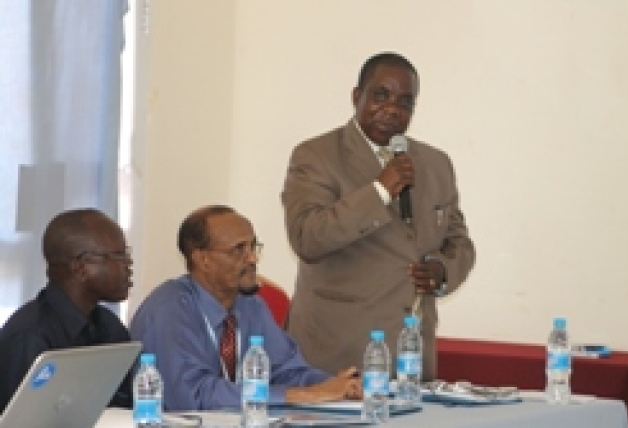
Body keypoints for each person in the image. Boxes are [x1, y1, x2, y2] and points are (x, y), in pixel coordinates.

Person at [281, 52, 476, 380]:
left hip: (412, 363)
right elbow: (307, 238)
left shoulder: (436, 164)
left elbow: (460, 242)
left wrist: (442, 271)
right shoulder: (316, 156)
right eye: (381, 96)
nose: (392, 109)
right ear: (357, 97)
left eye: (405, 102)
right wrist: (380, 191)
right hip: (337, 358)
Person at [129, 205, 361, 411]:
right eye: (238, 249)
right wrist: (300, 395)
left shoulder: (250, 304)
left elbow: (287, 371)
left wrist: (339, 385)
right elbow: (193, 395)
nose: (252, 259)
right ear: (202, 259)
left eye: (253, 247)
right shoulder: (169, 310)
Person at [0, 208, 134, 413]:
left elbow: (126, 408)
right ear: (81, 268)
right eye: (119, 255)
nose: (128, 264)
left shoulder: (109, 326)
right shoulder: (30, 336)